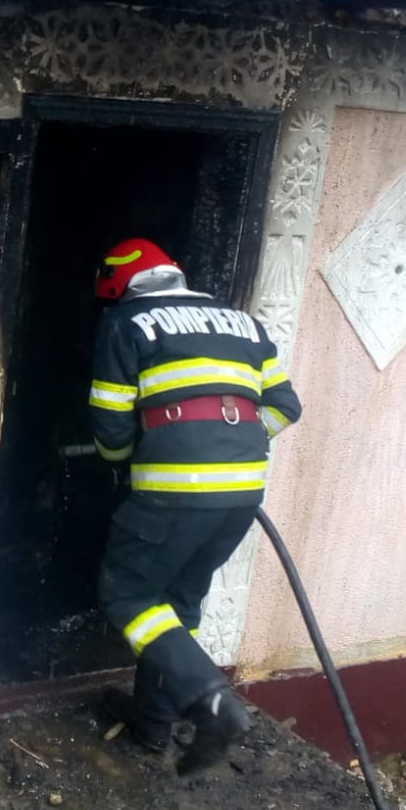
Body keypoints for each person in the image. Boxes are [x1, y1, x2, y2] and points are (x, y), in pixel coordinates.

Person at [87, 237, 300, 773]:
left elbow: (110, 423)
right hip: (242, 492)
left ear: (118, 285)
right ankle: (152, 724)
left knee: (127, 593)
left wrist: (127, 461)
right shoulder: (245, 325)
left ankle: (213, 703)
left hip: (173, 489)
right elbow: (284, 406)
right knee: (178, 602)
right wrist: (230, 447)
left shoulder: (126, 323)